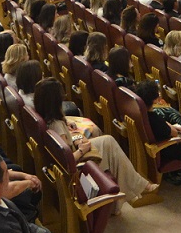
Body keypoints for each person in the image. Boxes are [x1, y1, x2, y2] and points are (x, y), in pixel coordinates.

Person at [33, 78, 157, 206]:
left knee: (108, 142)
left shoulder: (47, 118)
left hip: (76, 154)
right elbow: (65, 160)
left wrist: (67, 123)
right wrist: (82, 150)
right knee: (110, 145)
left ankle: (136, 187)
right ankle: (140, 187)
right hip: (78, 166)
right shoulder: (57, 126)